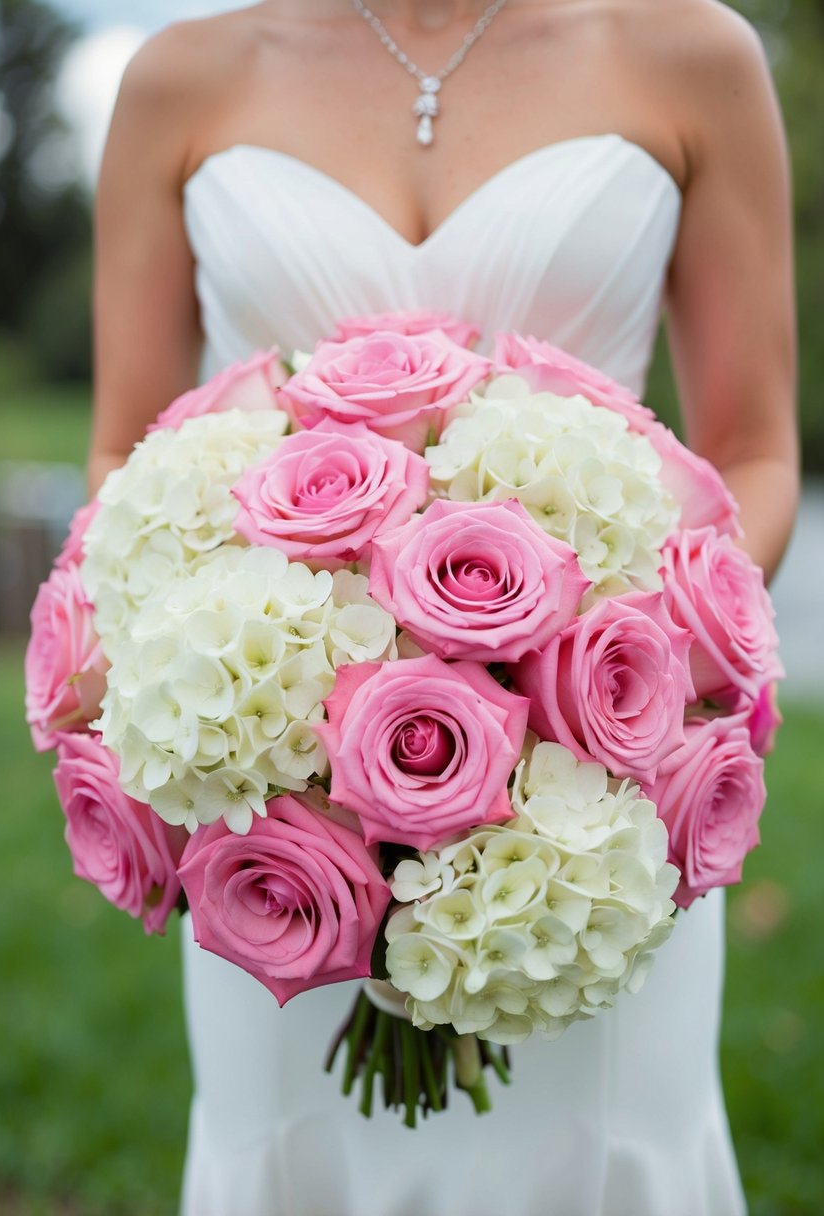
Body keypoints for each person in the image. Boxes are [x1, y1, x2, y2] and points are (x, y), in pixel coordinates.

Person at [87, 2, 798, 1213]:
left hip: (593, 810)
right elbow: (121, 451)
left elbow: (754, 450)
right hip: (279, 825)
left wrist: (612, 672)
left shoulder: (690, 53)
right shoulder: (181, 77)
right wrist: (279, 730)